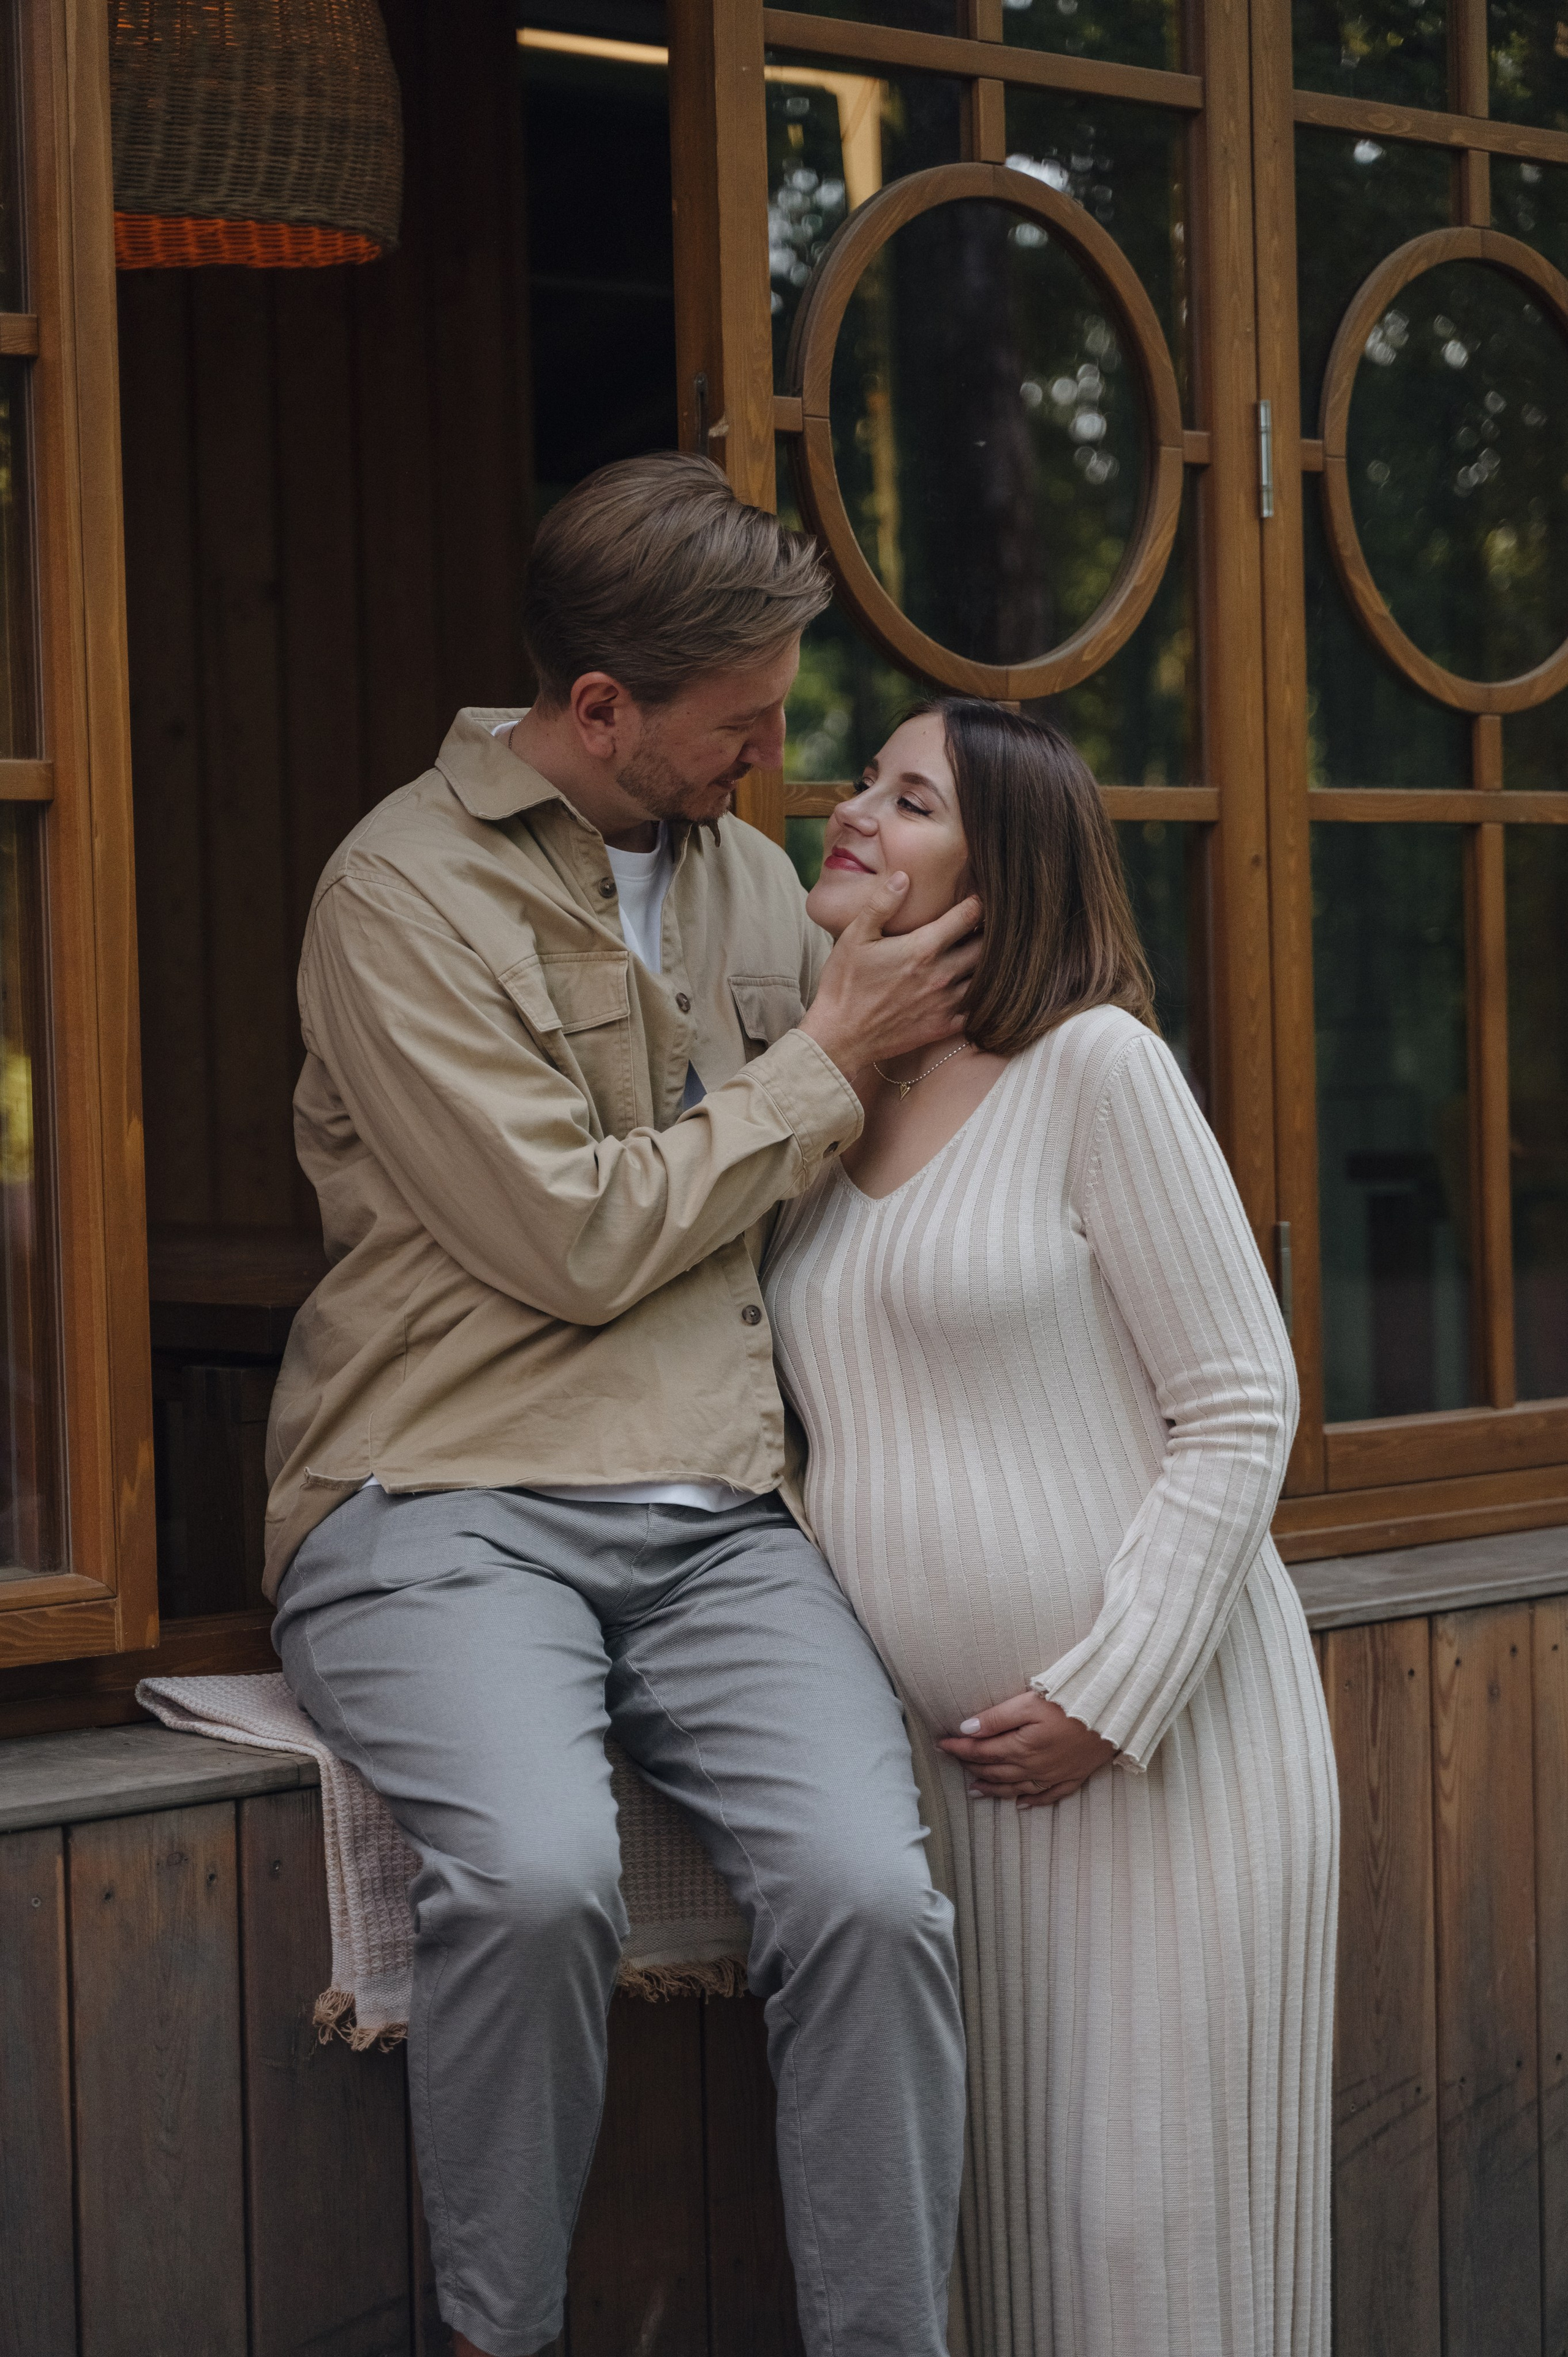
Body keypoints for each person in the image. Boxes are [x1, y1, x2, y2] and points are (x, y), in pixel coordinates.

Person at [263, 453, 976, 2357]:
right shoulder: (400, 894)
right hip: (437, 1499)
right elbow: (572, 1238)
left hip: (720, 1515)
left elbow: (886, 1138)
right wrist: (823, 1060)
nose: (773, 757)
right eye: (741, 724)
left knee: (871, 1894)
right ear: (600, 708)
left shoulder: (756, 882)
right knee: (536, 1878)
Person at [764, 698, 1338, 2357]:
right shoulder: (823, 1100)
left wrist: (1109, 1694)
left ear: (1001, 869)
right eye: (866, 781)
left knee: (1151, 2249)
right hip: (951, 1796)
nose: (854, 809)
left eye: (911, 799)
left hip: (1169, 1770)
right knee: (1005, 2252)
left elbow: (1242, 1399)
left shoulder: (1096, 1066)